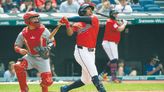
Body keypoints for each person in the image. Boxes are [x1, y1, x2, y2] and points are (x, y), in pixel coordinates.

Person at [59, 3, 106, 92]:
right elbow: (70, 33)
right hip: (81, 51)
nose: (91, 10)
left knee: (86, 80)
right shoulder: (78, 24)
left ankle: (65, 88)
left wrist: (67, 18)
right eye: (88, 9)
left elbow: (79, 18)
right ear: (82, 11)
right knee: (94, 73)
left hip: (92, 52)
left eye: (91, 9)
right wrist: (67, 24)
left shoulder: (94, 19)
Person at [14, 11, 55, 92]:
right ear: (27, 21)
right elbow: (16, 46)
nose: (37, 20)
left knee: (48, 82)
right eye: (34, 18)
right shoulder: (23, 33)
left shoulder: (44, 30)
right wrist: (20, 50)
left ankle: (43, 84)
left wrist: (48, 48)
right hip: (30, 56)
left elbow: (52, 42)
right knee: (18, 66)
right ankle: (24, 89)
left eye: (37, 18)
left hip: (43, 58)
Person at [99, 9, 128, 83]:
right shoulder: (110, 21)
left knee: (113, 60)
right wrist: (124, 24)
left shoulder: (113, 22)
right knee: (114, 60)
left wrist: (121, 23)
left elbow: (118, 25)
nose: (116, 15)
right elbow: (120, 29)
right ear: (111, 14)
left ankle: (102, 75)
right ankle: (114, 78)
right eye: (114, 14)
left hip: (112, 42)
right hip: (109, 42)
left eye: (116, 14)